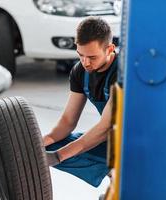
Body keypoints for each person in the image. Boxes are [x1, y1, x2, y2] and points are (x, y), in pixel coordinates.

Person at [44, 16, 117, 188]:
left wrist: (58, 157)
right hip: (109, 139)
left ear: (109, 49)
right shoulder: (80, 72)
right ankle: (113, 173)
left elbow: (105, 127)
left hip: (135, 142)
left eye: (92, 57)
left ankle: (120, 175)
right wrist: (36, 144)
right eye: (80, 55)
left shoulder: (121, 73)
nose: (85, 63)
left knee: (61, 152)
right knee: (51, 146)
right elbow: (68, 121)